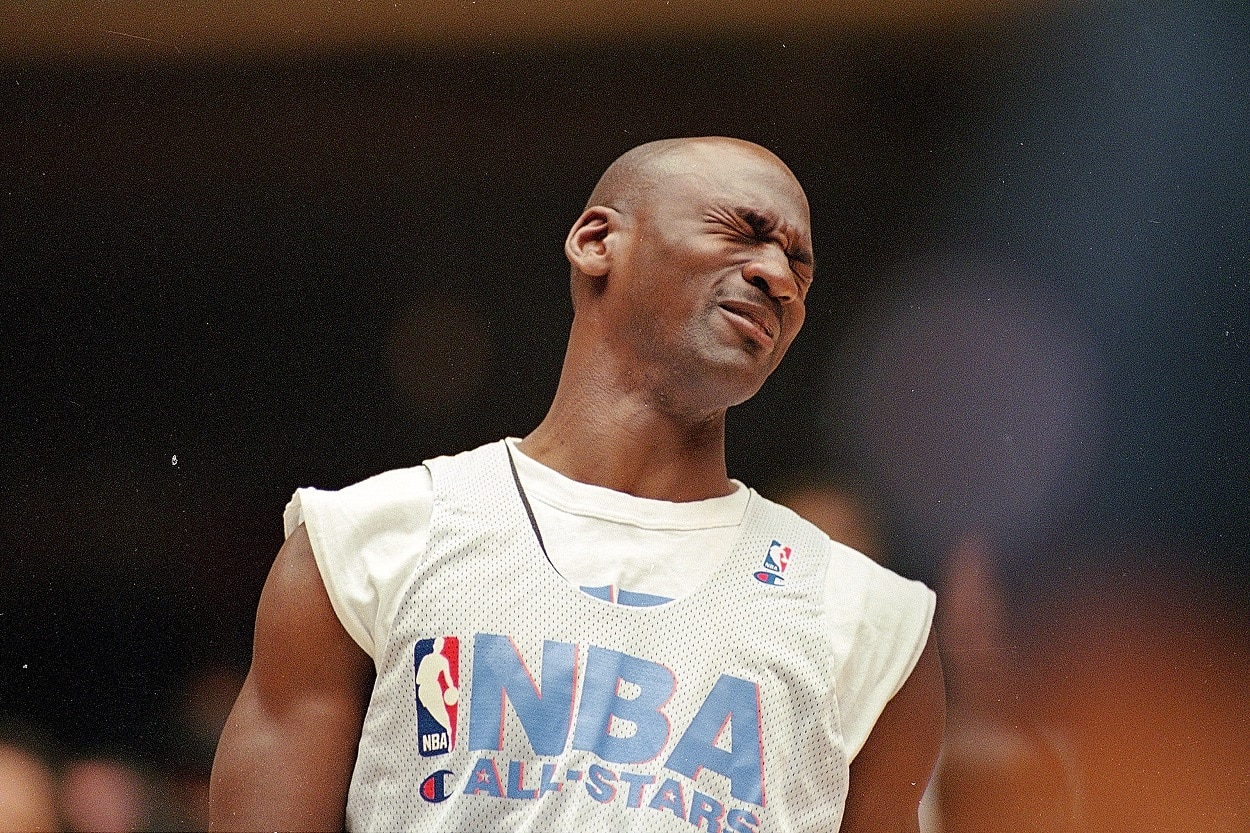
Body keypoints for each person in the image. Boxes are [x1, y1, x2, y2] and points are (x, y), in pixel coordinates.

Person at [209, 136, 944, 832]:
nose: (778, 277)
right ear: (598, 241)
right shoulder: (367, 543)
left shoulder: (869, 621)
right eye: (741, 231)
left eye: (798, 265)